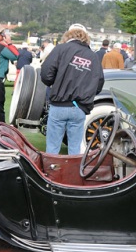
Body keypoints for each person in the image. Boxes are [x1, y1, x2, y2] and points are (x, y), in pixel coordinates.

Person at [40, 24, 104, 155]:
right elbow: (99, 83)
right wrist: (86, 94)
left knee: (52, 148)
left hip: (59, 105)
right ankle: (73, 174)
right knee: (74, 149)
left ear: (68, 35)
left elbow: (46, 74)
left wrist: (56, 84)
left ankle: (51, 174)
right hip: (79, 107)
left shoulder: (61, 49)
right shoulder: (93, 56)